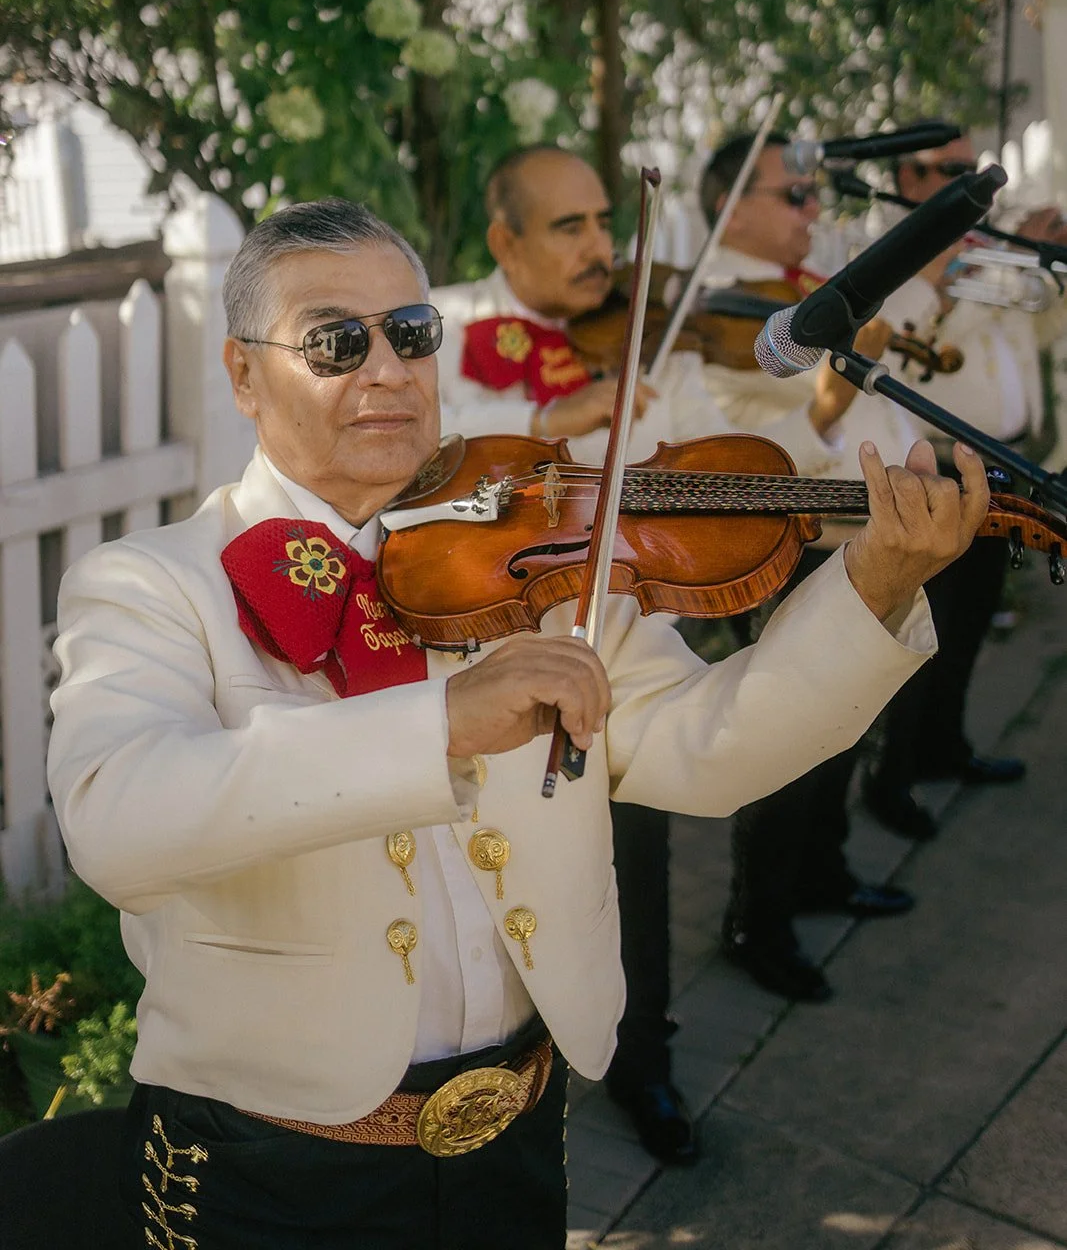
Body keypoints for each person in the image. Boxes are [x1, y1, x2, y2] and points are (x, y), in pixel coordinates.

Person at [48, 198, 987, 1250]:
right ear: (242, 374)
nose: (387, 368)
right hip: (272, 1172)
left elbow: (707, 746)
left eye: (409, 332)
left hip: (517, 1136)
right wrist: (436, 720)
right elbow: (118, 823)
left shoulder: (534, 549)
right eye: (333, 340)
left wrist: (873, 581)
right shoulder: (149, 584)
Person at [433, 144, 857, 1155]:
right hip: (485, 659)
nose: (597, 249)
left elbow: (707, 449)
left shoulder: (638, 338)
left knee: (641, 859)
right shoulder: (444, 331)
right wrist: (542, 419)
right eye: (566, 226)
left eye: (601, 222)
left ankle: (644, 1063)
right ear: (504, 239)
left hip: (626, 640)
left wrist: (831, 477)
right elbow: (422, 450)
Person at [697, 134, 923, 1003]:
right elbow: (734, 455)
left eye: (807, 195)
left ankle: (821, 872)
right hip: (787, 543)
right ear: (731, 207)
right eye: (791, 196)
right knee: (786, 745)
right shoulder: (714, 312)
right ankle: (758, 921)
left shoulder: (789, 295)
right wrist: (829, 407)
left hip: (857, 537)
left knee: (843, 726)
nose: (810, 211)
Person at [859, 131, 1067, 840]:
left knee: (971, 617)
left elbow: (1028, 339)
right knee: (926, 627)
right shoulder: (893, 254)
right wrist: (971, 278)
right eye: (951, 171)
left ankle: (944, 746)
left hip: (1000, 458)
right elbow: (922, 359)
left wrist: (1039, 266)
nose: (969, 183)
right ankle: (891, 780)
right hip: (937, 462)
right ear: (907, 176)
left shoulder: (977, 251)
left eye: (971, 170)